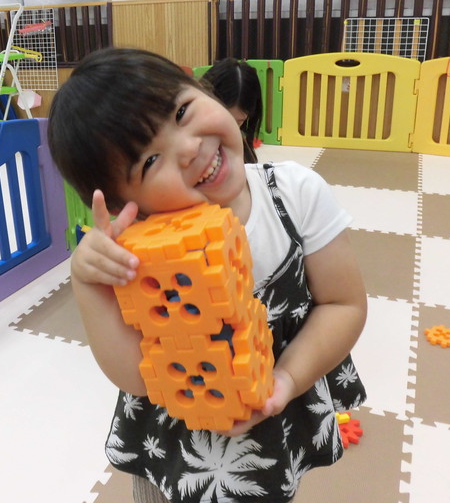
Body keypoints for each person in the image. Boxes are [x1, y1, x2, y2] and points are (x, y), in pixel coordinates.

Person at [47, 48, 367, 503]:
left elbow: (343, 304)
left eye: (181, 112)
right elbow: (136, 378)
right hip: (176, 441)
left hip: (280, 401)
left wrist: (287, 380)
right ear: (122, 202)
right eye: (149, 161)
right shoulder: (135, 254)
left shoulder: (295, 192)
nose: (189, 148)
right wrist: (88, 284)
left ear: (204, 90)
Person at [200, 58, 263, 164]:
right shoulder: (191, 145)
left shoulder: (242, 148)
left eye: (238, 122)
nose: (229, 130)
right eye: (223, 121)